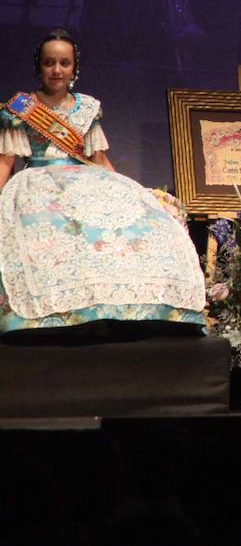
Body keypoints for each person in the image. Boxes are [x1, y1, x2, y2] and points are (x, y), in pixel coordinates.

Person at [0, 29, 206, 336]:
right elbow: (6, 162)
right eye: (49, 62)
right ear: (39, 66)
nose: (57, 70)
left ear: (74, 68)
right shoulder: (20, 109)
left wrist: (134, 193)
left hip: (85, 179)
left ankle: (120, 310)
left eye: (64, 63)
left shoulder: (87, 108)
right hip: (37, 182)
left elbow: (98, 160)